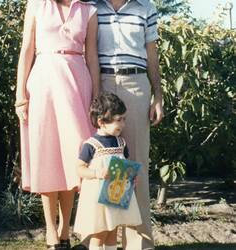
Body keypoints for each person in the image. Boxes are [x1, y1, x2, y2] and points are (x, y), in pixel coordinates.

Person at [15, 0, 99, 249]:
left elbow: (92, 55)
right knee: (47, 157)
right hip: (43, 85)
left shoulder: (89, 10)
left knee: (76, 159)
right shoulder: (37, 5)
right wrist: (20, 95)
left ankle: (65, 229)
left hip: (77, 86)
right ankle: (52, 233)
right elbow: (26, 50)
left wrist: (96, 96)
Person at [96, 0, 164, 249]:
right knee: (109, 165)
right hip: (102, 83)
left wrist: (158, 95)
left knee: (134, 165)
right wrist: (94, 94)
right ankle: (106, 242)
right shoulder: (93, 6)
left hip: (136, 84)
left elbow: (152, 53)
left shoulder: (146, 7)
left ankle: (139, 244)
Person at [74, 93, 142, 250]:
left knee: (113, 230)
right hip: (98, 199)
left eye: (124, 119)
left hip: (116, 195)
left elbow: (126, 163)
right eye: (119, 120)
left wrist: (131, 177)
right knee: (100, 233)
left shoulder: (121, 142)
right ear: (101, 122)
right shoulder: (91, 145)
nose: (123, 124)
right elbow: (79, 168)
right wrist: (97, 173)